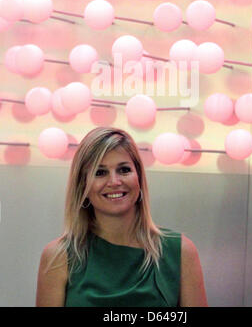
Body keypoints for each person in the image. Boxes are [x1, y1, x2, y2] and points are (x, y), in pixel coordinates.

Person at [35, 126, 208, 307]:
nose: (114, 182)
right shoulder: (59, 257)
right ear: (82, 186)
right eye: (100, 172)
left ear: (139, 178)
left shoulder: (180, 252)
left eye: (124, 170)